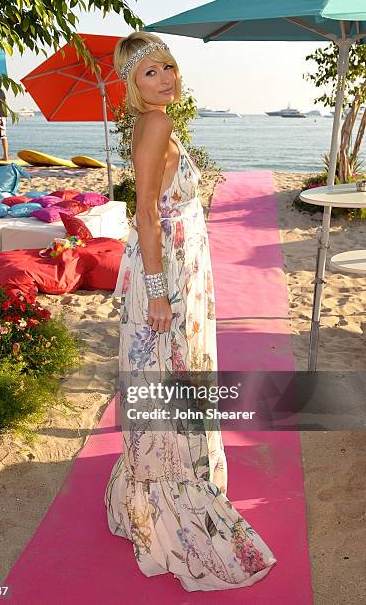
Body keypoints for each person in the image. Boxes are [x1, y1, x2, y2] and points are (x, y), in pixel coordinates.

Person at [104, 31, 277, 591]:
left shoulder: (156, 121)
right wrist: (157, 290)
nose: (165, 78)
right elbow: (148, 215)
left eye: (168, 66)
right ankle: (178, 509)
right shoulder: (153, 124)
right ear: (132, 84)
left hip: (176, 269)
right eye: (150, 72)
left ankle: (151, 496)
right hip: (168, 276)